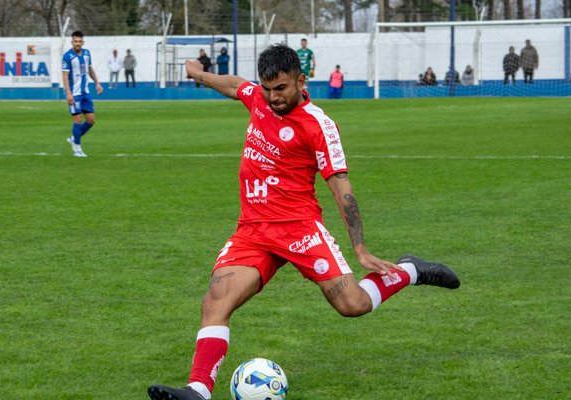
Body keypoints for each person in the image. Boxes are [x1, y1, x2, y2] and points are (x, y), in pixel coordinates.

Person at [147, 43, 460, 400]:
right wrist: (200, 75)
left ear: (301, 80)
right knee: (215, 300)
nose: (273, 97)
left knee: (352, 305)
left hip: (299, 229)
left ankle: (409, 270)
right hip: (253, 231)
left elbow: (341, 187)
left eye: (281, 88)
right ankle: (198, 391)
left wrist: (359, 247)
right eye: (267, 89)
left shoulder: (319, 126)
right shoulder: (260, 99)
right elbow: (237, 87)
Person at [62, 31, 103, 157]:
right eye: (75, 41)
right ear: (72, 42)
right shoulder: (67, 56)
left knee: (91, 120)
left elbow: (89, 69)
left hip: (85, 92)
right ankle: (77, 149)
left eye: (80, 41)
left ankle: (74, 138)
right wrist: (68, 94)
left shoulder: (86, 53)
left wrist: (97, 83)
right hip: (74, 94)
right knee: (78, 119)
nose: (78, 44)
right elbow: (65, 75)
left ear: (83, 42)